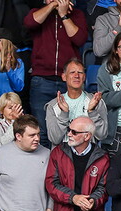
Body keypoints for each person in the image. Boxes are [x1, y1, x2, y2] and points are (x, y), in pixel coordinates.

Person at [23, 0, 89, 148]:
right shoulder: (38, 11)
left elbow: (79, 39)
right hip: (41, 80)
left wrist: (64, 15)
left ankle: (66, 169)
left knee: (71, 131)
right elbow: (29, 22)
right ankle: (46, 170)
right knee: (41, 132)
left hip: (69, 82)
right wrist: (52, 6)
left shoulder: (77, 14)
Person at [45, 116, 110, 211]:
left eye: (74, 132)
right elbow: (51, 183)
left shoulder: (103, 157)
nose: (69, 134)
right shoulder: (58, 153)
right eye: (69, 130)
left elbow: (104, 189)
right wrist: (73, 198)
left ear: (87, 136)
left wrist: (92, 200)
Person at [44, 59, 107, 146]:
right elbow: (55, 139)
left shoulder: (96, 101)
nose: (76, 75)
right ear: (64, 77)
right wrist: (64, 114)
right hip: (62, 155)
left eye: (80, 72)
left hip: (88, 155)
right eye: (72, 72)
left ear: (84, 77)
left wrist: (92, 112)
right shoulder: (53, 105)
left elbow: (102, 135)